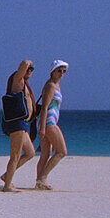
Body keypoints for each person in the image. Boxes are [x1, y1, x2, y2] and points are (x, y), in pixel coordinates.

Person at [0, 60, 37, 192]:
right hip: (17, 122)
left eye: (32, 69)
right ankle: (7, 185)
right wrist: (27, 63)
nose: (30, 71)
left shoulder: (25, 84)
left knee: (30, 152)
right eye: (28, 69)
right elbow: (23, 66)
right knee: (15, 155)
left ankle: (6, 176)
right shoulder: (17, 80)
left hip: (24, 123)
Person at [35, 60, 69, 190]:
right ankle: (43, 178)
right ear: (52, 71)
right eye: (59, 70)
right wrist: (42, 129)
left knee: (46, 153)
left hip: (49, 122)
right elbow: (44, 108)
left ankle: (39, 181)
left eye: (64, 71)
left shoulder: (56, 85)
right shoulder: (50, 86)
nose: (61, 73)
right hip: (48, 122)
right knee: (61, 151)